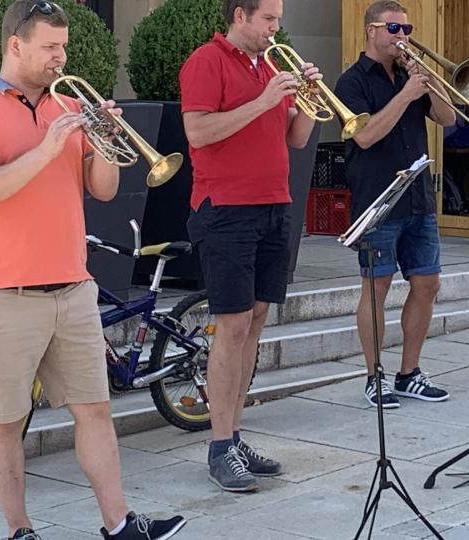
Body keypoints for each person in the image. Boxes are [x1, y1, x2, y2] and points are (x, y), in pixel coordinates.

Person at [0, 2, 186, 539]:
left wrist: (105, 143)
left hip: (73, 286)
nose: (62, 57)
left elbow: (100, 190)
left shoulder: (69, 106)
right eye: (51, 47)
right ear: (16, 46)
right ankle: (20, 530)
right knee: (4, 422)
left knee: (95, 411)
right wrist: (49, 146)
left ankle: (119, 523)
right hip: (4, 292)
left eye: (64, 47)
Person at [180, 0, 320, 493]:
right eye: (269, 20)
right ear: (240, 16)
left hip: (273, 205)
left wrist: (306, 99)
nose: (276, 29)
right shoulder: (206, 61)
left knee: (256, 321)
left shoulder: (273, 65)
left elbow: (297, 139)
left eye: (279, 20)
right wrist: (263, 100)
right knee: (233, 324)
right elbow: (197, 131)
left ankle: (234, 436)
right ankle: (219, 446)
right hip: (226, 209)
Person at [334, 0, 456, 409]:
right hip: (377, 200)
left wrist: (429, 83)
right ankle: (374, 376)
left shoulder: (410, 75)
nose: (403, 37)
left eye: (407, 29)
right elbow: (365, 137)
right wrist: (405, 95)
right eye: (394, 29)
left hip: (418, 196)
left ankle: (409, 373)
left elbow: (448, 117)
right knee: (377, 287)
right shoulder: (350, 82)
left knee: (428, 283)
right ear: (371, 30)